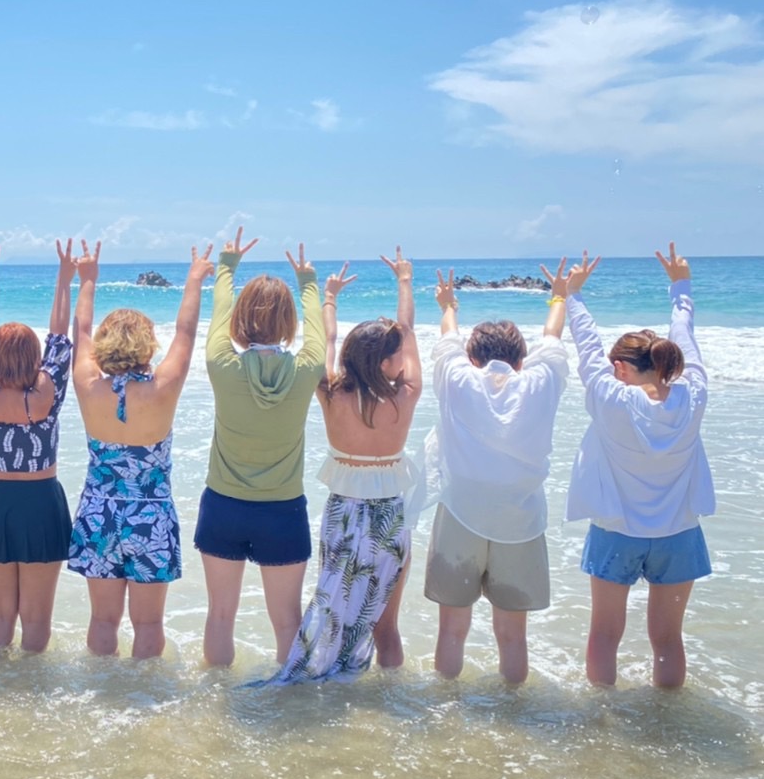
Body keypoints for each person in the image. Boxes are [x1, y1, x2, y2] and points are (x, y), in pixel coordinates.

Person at [251, 246, 421, 686]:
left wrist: (328, 298)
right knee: (385, 624)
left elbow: (323, 343)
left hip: (343, 513)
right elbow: (407, 330)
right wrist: (404, 281)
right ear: (385, 362)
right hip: (388, 518)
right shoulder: (405, 397)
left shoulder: (330, 393)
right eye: (398, 354)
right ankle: (388, 697)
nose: (403, 358)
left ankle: (317, 675)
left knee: (333, 604)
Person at [424, 257, 589, 683]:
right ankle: (513, 711)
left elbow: (448, 338)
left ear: (472, 356)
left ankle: (445, 708)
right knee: (513, 637)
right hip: (521, 520)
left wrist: (449, 305)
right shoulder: (541, 381)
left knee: (452, 631)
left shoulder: (456, 377)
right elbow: (552, 337)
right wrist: (560, 295)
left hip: (460, 514)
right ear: (521, 360)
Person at [567, 242, 713, 688]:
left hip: (616, 531)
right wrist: (680, 288)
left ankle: (603, 715)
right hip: (678, 533)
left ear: (620, 368)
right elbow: (685, 339)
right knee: (668, 639)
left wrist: (572, 295)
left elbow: (586, 345)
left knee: (604, 635)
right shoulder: (693, 395)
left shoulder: (611, 399)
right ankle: (666, 715)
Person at [68, 242, 214, 658]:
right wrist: (194, 279)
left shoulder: (88, 384)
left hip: (99, 512)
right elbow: (185, 333)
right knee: (149, 624)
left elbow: (80, 332)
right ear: (147, 345)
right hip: (150, 516)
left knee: (102, 620)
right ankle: (142, 694)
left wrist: (88, 280)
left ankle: (102, 688)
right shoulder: (162, 390)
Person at [195, 232, 326, 667]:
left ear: (240, 320)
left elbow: (219, 314)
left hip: (223, 505)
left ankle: (217, 698)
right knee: (287, 621)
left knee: (220, 615)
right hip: (282, 511)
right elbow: (318, 335)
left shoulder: (221, 364)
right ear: (288, 321)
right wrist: (308, 283)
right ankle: (287, 699)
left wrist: (226, 266)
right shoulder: (308, 370)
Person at [0, 238, 74, 652]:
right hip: (42, 501)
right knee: (36, 617)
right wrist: (65, 279)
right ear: (35, 359)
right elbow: (60, 338)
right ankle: (31, 687)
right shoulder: (48, 396)